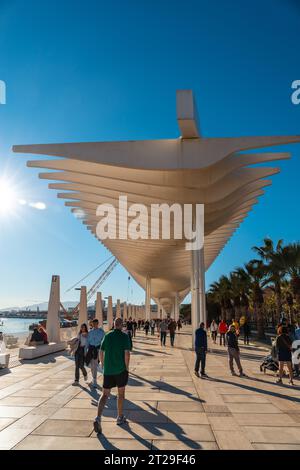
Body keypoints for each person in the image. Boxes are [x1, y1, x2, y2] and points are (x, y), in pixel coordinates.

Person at [94, 318, 131, 434]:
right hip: (120, 370)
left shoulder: (107, 335)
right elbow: (127, 353)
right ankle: (120, 417)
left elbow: (101, 351)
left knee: (105, 394)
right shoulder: (125, 336)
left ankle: (98, 418)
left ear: (114, 325)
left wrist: (103, 365)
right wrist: (126, 367)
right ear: (122, 325)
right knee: (121, 394)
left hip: (108, 371)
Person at [86, 319, 105, 388]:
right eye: (93, 324)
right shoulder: (90, 332)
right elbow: (87, 342)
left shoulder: (101, 332)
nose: (95, 325)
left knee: (94, 365)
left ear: (98, 323)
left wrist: (102, 351)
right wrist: (85, 351)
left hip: (97, 350)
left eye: (96, 323)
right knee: (91, 365)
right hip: (90, 349)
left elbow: (103, 341)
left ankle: (94, 380)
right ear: (92, 324)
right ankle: (93, 378)